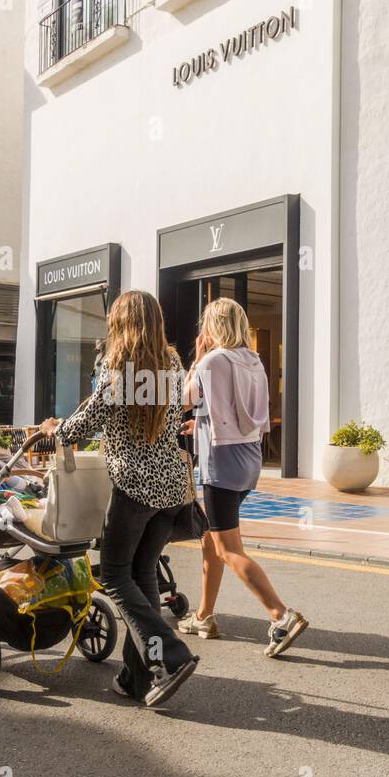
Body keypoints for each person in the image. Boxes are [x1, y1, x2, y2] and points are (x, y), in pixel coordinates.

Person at [40, 290, 199, 708]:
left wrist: (53, 430)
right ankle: (136, 676)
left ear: (120, 322)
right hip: (170, 488)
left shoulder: (116, 367)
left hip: (134, 488)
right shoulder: (174, 363)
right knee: (142, 574)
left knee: (113, 575)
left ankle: (171, 655)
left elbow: (85, 424)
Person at [180, 298, 308, 657]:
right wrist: (201, 423)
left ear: (214, 326)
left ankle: (281, 615)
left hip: (221, 462)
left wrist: (195, 361)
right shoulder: (253, 360)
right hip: (250, 459)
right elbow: (236, 411)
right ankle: (203, 615)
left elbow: (183, 399)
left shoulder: (212, 360)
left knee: (228, 548)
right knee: (211, 536)